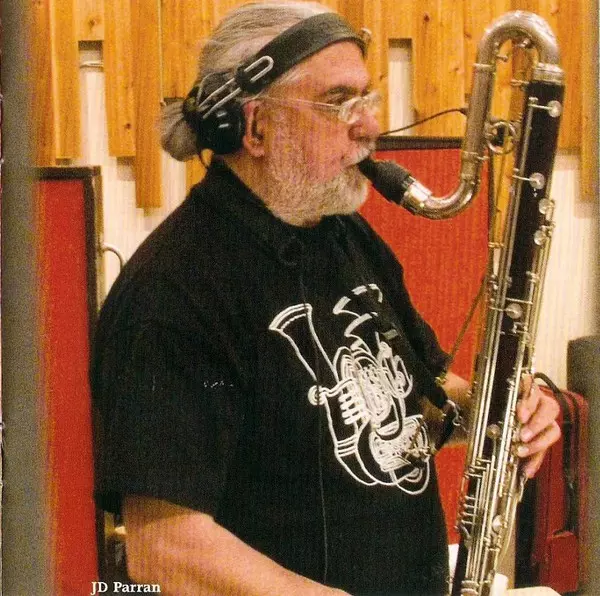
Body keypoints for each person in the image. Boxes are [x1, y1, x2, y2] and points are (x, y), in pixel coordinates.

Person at [91, 2, 561, 594]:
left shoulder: (343, 233)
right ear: (255, 128)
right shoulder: (173, 290)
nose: (370, 126)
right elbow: (164, 548)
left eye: (366, 98)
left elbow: (422, 396)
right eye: (339, 103)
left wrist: (502, 410)